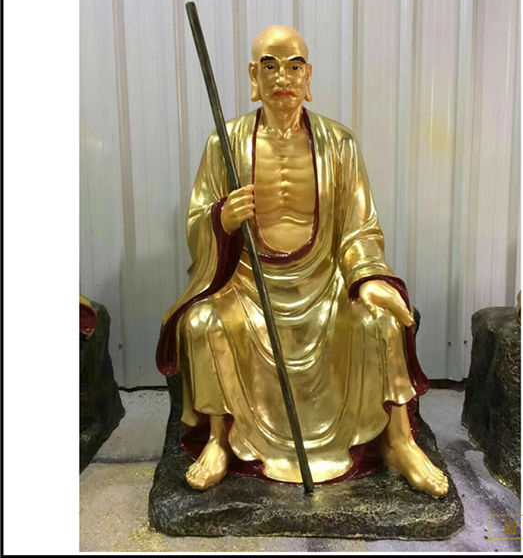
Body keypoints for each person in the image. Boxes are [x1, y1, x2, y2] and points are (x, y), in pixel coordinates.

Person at [156, 25, 449, 498]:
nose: (282, 77)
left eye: (294, 66)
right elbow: (197, 222)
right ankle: (220, 439)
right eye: (269, 66)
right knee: (202, 323)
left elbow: (359, 228)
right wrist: (221, 219)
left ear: (308, 75)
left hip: (325, 284)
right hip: (249, 287)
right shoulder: (225, 143)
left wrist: (368, 277)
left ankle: (398, 440)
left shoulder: (339, 143)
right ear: (253, 76)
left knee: (380, 320)